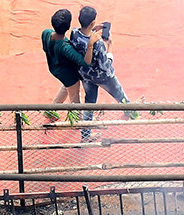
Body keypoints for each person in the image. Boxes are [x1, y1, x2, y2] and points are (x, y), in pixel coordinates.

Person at [71, 6, 132, 141]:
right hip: (103, 77)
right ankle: (130, 111)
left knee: (89, 103)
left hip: (85, 76)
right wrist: (110, 46)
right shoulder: (98, 44)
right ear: (92, 22)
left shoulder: (74, 32)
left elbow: (83, 38)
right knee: (118, 93)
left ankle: (85, 135)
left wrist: (92, 29)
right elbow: (105, 65)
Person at [43, 10, 95, 109]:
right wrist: (90, 44)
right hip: (70, 76)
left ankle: (52, 110)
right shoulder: (65, 47)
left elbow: (45, 48)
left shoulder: (46, 33)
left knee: (66, 87)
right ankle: (77, 120)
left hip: (55, 69)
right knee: (75, 99)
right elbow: (85, 62)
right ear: (68, 27)